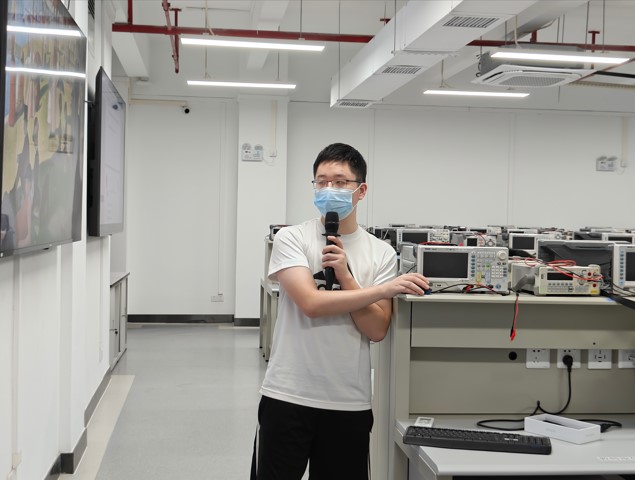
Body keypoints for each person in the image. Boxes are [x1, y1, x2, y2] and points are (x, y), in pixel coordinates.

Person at [251, 143, 429, 480]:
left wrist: (346, 276)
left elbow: (376, 329)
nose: (329, 189)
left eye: (340, 181)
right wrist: (383, 290)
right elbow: (311, 304)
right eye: (321, 182)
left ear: (361, 190)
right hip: (287, 394)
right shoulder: (292, 238)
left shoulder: (381, 253)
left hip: (348, 401)